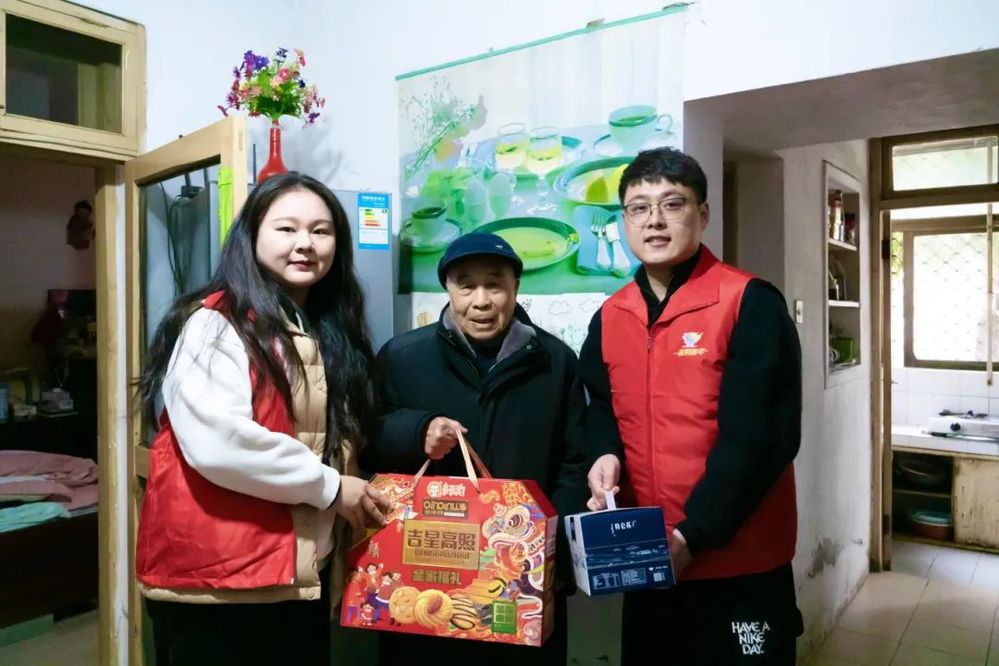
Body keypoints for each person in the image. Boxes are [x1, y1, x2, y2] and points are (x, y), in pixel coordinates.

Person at [134, 171, 390, 665]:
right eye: (286, 228)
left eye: (321, 231)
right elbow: (220, 444)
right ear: (252, 236)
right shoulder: (216, 323)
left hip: (295, 573)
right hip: (221, 581)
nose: (305, 243)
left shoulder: (323, 327)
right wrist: (332, 487)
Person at [580, 148, 803, 665]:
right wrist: (603, 453)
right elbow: (600, 408)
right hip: (651, 558)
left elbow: (762, 440)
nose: (654, 221)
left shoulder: (748, 302)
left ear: (702, 215)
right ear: (624, 221)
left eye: (672, 204)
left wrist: (692, 534)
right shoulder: (611, 315)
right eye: (639, 208)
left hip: (740, 564)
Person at [364, 232, 589, 665]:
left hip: (520, 579)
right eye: (466, 285)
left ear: (515, 287)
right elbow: (365, 442)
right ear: (448, 289)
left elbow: (574, 464)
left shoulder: (554, 361)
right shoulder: (402, 357)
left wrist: (551, 559)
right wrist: (416, 431)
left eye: (495, 284)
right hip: (425, 575)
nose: (481, 301)